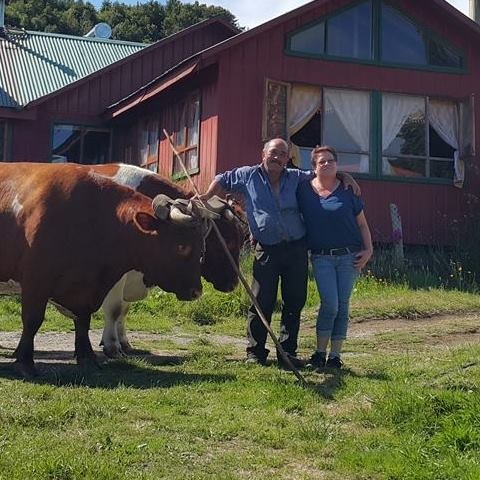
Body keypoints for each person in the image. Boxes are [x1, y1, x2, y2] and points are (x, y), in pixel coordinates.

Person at [199, 138, 359, 369]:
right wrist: (206, 196)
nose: (278, 157)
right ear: (263, 153)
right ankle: (255, 352)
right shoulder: (247, 175)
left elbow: (321, 174)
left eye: (283, 154)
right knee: (261, 300)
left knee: (294, 301)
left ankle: (287, 353)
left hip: (296, 248)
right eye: (274, 152)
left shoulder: (295, 177)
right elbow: (222, 179)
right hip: (267, 249)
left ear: (288, 159)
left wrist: (344, 176)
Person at [296, 145, 373, 370]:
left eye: (331, 161)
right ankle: (319, 353)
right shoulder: (303, 190)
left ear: (337, 164)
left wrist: (368, 250)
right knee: (330, 304)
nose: (327, 164)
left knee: (343, 305)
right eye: (322, 162)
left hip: (350, 257)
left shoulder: (348, 190)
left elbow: (362, 224)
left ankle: (335, 356)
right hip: (322, 257)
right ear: (313, 167)